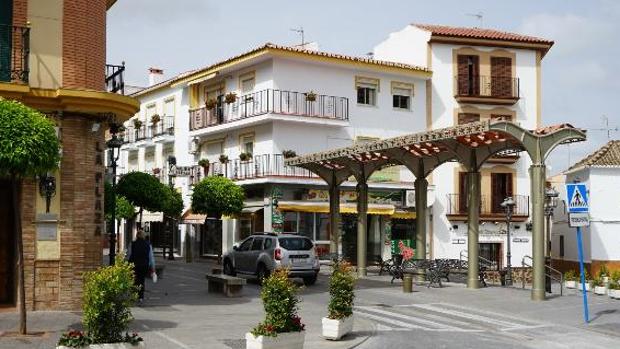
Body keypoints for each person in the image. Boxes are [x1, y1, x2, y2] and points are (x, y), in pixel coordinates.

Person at [128, 229, 154, 302]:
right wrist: (152, 267)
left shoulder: (132, 244)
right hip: (144, 265)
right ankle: (141, 297)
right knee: (142, 280)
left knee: (134, 280)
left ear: (136, 235)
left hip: (134, 264)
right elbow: (151, 257)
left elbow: (129, 255)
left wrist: (126, 263)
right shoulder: (148, 244)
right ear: (144, 236)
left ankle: (134, 295)